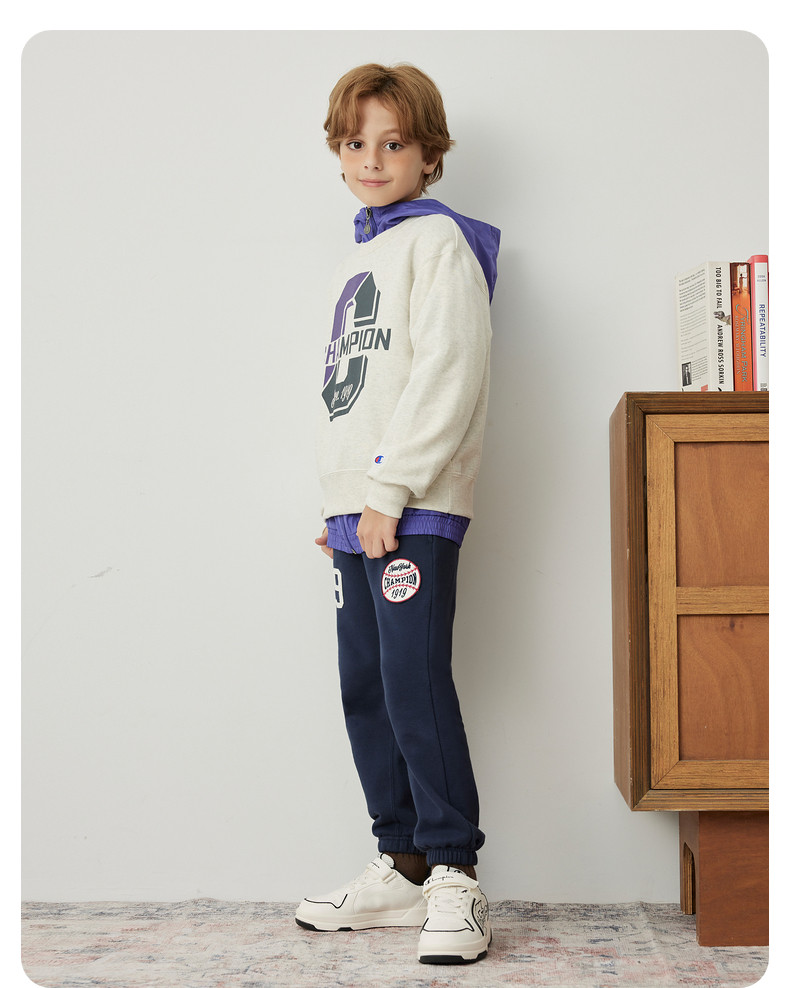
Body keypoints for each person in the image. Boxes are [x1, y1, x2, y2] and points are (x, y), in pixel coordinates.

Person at [295, 62, 500, 966]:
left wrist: (386, 493)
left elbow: (448, 373)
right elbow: (357, 391)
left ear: (429, 155)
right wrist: (340, 502)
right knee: (366, 686)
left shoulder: (439, 242)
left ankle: (455, 873)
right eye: (355, 143)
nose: (371, 160)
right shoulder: (360, 257)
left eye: (393, 143)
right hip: (360, 509)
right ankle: (403, 864)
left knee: (414, 683)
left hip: (409, 507)